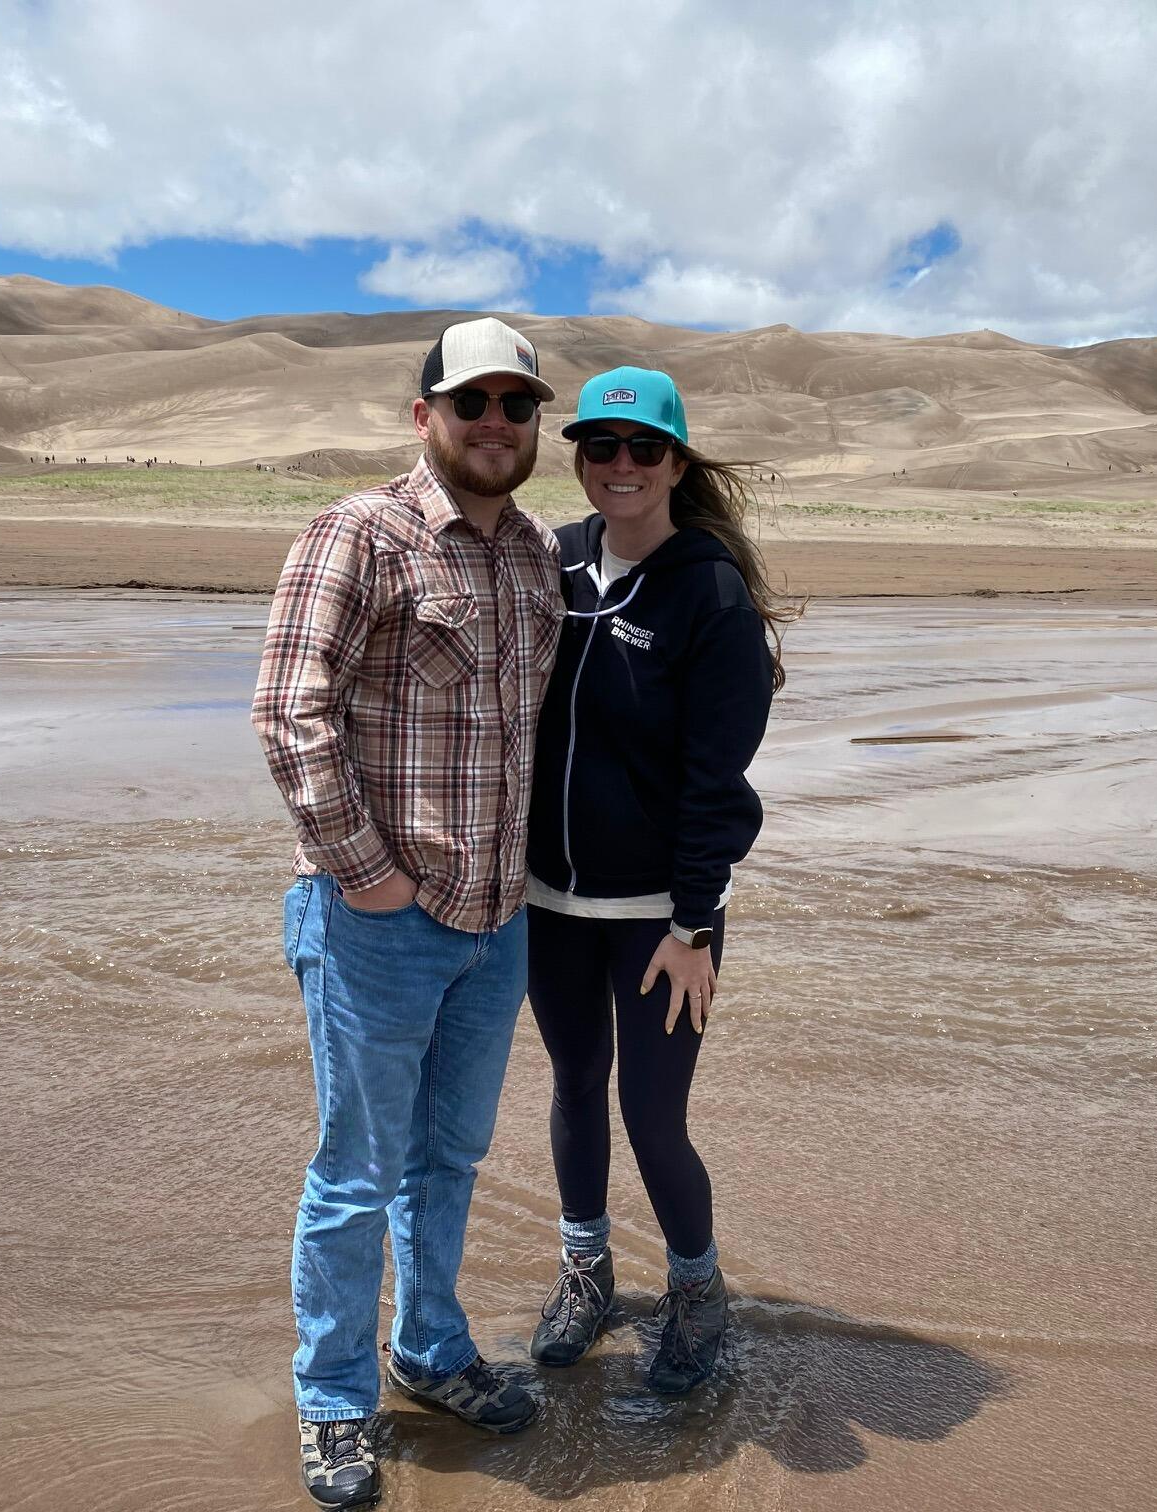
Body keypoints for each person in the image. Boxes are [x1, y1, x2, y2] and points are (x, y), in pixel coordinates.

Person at [252, 316, 564, 1510]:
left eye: (517, 405)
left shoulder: (535, 555)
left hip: (497, 926)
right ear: (422, 414)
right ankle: (334, 1400)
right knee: (354, 1168)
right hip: (374, 924)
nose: (496, 423)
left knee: (450, 1157)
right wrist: (364, 873)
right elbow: (290, 712)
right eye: (472, 401)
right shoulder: (358, 535)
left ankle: (429, 1352)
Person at [523, 366, 792, 1395]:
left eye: (643, 449)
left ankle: (696, 1293)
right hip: (550, 903)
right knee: (572, 1084)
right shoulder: (554, 564)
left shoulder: (708, 591)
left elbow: (716, 785)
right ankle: (585, 1276)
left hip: (659, 920)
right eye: (601, 448)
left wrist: (692, 922)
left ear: (677, 460)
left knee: (652, 1113)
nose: (621, 467)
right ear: (581, 459)